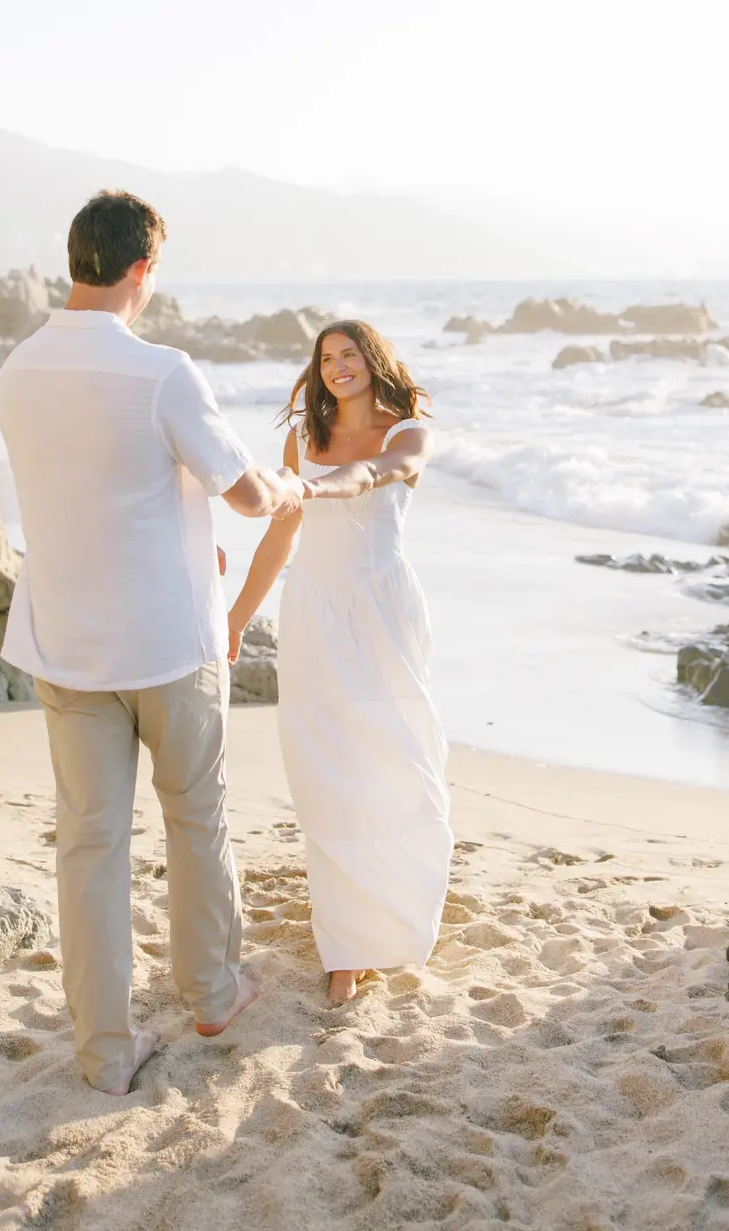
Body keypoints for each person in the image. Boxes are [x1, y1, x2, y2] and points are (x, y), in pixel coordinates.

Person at [0, 190, 304, 1095]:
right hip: (170, 641)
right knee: (195, 818)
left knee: (89, 846)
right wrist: (285, 491)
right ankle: (211, 991)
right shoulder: (161, 370)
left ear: (74, 260)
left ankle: (103, 1052)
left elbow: (93, 488)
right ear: (142, 269)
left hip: (68, 640)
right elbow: (244, 493)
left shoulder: (19, 368)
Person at [226, 320, 453, 1006]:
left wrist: (316, 488)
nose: (336, 367)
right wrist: (235, 620)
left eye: (349, 354)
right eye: (325, 358)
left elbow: (377, 475)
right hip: (313, 612)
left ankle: (394, 913)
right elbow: (280, 536)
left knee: (395, 762)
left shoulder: (405, 431)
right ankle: (346, 947)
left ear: (373, 360)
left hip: (382, 614)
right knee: (327, 771)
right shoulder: (302, 436)